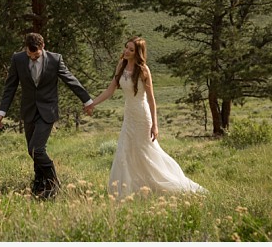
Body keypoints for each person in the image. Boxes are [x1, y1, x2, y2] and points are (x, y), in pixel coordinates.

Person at [87, 36, 206, 200]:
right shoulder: (121, 66)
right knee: (125, 150)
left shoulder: (143, 70)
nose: (126, 51)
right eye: (126, 48)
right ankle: (125, 191)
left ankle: (169, 183)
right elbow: (110, 90)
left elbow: (151, 99)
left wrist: (155, 125)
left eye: (131, 50)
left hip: (143, 116)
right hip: (129, 115)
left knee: (146, 152)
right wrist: (93, 103)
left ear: (138, 53)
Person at [0, 32, 95, 199]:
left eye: (36, 55)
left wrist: (87, 100)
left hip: (47, 111)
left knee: (36, 149)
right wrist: (1, 111)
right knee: (33, 151)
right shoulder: (18, 59)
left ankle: (53, 183)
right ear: (25, 48)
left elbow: (70, 79)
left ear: (43, 47)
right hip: (29, 111)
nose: (33, 57)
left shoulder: (55, 60)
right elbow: (10, 86)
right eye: (30, 54)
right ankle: (39, 185)